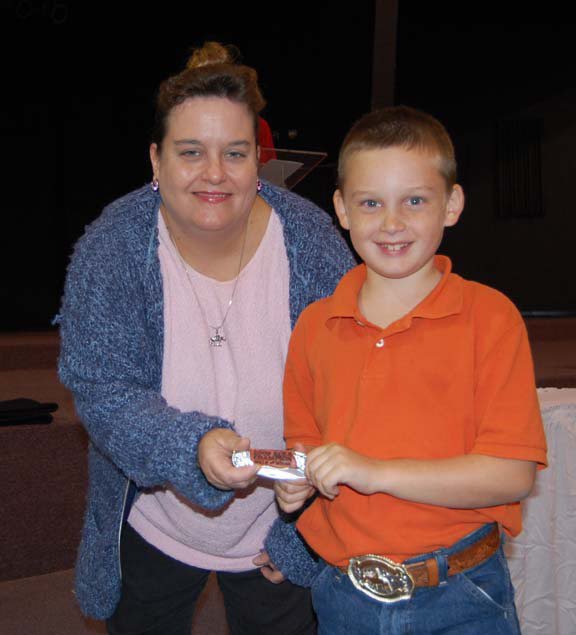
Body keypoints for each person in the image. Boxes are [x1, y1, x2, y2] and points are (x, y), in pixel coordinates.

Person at [57, 42, 354, 634]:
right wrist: (191, 446)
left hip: (283, 522)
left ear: (259, 161)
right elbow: (105, 394)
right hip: (154, 518)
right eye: (190, 152)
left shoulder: (313, 243)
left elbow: (354, 388)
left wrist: (307, 532)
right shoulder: (111, 249)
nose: (214, 173)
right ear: (156, 159)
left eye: (234, 154)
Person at [273, 106, 548, 634]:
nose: (392, 223)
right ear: (342, 209)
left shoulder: (490, 318)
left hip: (461, 592)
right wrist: (297, 481)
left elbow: (511, 474)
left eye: (415, 201)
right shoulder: (314, 325)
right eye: (370, 203)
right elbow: (305, 448)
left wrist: (371, 471)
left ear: (452, 204)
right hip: (343, 593)